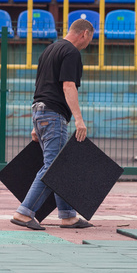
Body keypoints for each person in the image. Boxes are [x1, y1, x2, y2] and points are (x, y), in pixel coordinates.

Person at [11, 18, 96, 231]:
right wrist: (78, 119)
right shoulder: (71, 53)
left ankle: (68, 216)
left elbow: (41, 85)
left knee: (59, 165)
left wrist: (35, 124)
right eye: (90, 39)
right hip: (53, 114)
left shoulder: (49, 50)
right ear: (84, 34)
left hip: (40, 112)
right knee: (54, 167)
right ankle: (24, 213)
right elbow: (68, 86)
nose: (88, 44)